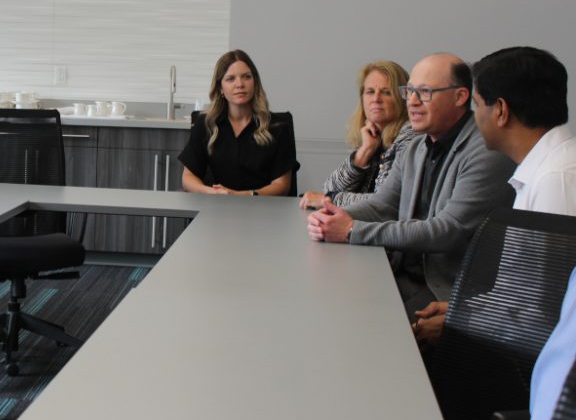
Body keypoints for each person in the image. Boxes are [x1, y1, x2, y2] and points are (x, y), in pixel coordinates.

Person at [306, 53, 516, 316]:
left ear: (460, 97)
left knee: (353, 317)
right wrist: (331, 216)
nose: (412, 102)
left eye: (425, 92)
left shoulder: (485, 151)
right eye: (410, 92)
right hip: (401, 273)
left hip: (443, 291)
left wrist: (351, 230)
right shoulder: (417, 145)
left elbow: (447, 231)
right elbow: (382, 205)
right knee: (325, 298)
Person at [412, 47, 576, 350]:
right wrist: (463, 308)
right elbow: (523, 292)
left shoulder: (557, 179)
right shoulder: (543, 167)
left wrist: (461, 324)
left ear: (500, 110)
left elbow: (549, 315)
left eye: (476, 105)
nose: (474, 118)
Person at [300, 60, 416, 209]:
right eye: (370, 92)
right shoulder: (374, 138)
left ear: (402, 98)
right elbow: (329, 188)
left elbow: (388, 203)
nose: (376, 99)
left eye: (386, 92)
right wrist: (363, 153)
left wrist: (328, 200)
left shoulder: (410, 137)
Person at [179, 50, 296, 196]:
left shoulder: (278, 127)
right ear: (220, 88)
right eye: (230, 79)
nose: (240, 84)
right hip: (216, 208)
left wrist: (246, 195)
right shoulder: (206, 124)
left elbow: (282, 185)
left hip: (261, 210)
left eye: (246, 77)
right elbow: (188, 178)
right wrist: (213, 193)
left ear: (255, 83)